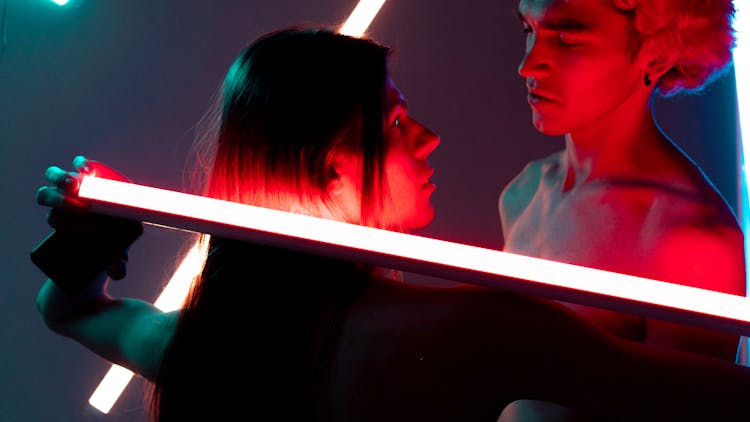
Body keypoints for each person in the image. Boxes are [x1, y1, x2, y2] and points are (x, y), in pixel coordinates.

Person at [35, 27, 750, 422]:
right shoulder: (479, 329)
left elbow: (66, 310)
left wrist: (92, 223)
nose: (429, 138)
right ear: (331, 171)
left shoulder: (202, 348)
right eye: (398, 122)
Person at [498, 0, 746, 420]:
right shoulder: (524, 192)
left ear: (658, 52)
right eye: (529, 30)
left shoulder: (690, 239)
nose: (529, 65)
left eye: (566, 38)